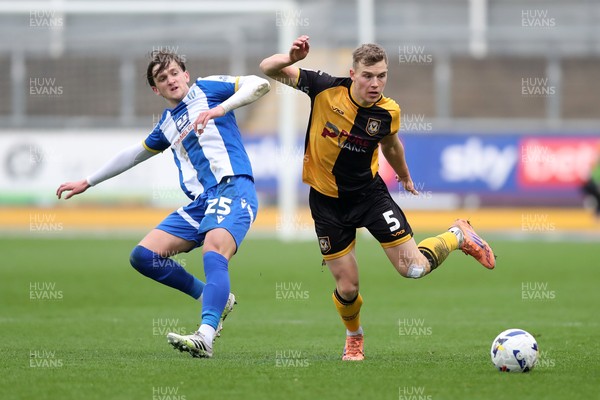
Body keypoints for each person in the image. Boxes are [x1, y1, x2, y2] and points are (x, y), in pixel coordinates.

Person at [260, 35, 495, 361]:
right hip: (326, 202)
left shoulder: (388, 111)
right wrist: (290, 56)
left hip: (369, 196)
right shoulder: (325, 88)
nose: (375, 83)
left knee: (413, 269)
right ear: (353, 73)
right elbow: (268, 68)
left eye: (381, 76)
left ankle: (458, 235)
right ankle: (354, 337)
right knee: (348, 288)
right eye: (368, 76)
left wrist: (404, 175)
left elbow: (390, 145)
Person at [57, 50, 270, 358]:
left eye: (173, 73)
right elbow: (133, 155)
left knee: (214, 252)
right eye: (161, 78)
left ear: (185, 74)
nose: (170, 80)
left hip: (233, 188)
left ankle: (206, 335)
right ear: (155, 89)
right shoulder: (167, 124)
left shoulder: (208, 89)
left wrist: (219, 110)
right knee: (144, 256)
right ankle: (213, 298)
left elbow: (258, 85)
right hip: (202, 202)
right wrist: (87, 182)